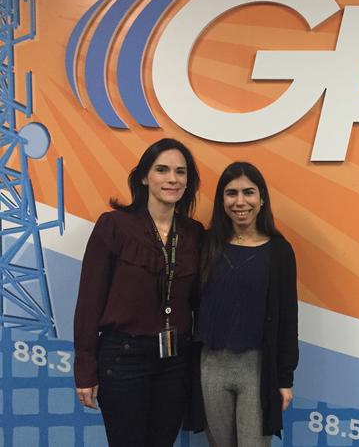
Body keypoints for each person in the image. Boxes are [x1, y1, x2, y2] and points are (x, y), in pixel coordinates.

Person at [73, 138, 204, 447]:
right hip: (123, 359)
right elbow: (90, 301)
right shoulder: (115, 225)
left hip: (175, 361)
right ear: (145, 177)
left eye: (180, 172)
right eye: (162, 170)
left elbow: (200, 299)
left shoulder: (194, 233)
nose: (172, 179)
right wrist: (85, 368)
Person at [197, 161, 298, 446]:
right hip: (211, 364)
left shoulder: (279, 251)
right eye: (231, 193)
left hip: (257, 367)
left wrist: (284, 378)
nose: (240, 201)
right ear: (221, 200)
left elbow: (289, 318)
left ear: (262, 198)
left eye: (248, 192)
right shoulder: (205, 244)